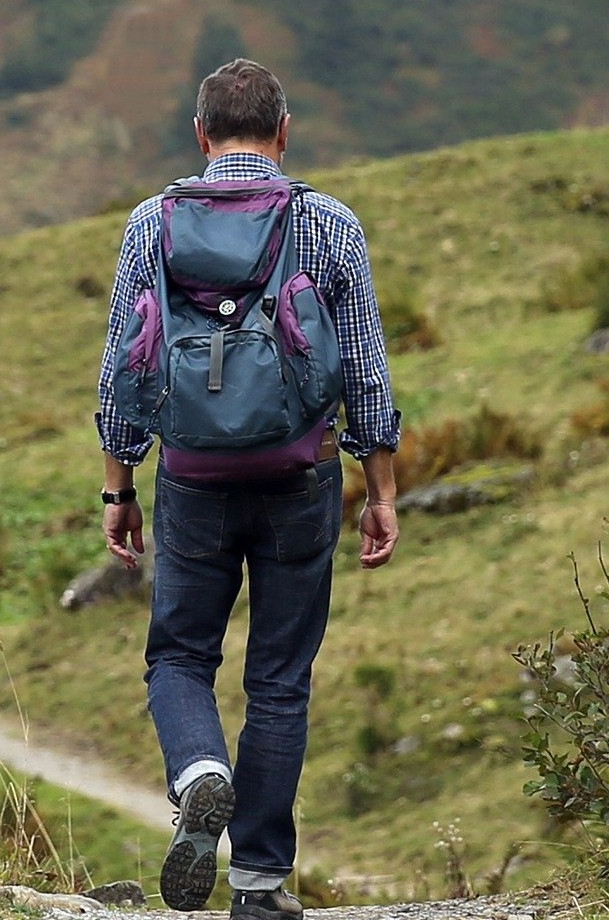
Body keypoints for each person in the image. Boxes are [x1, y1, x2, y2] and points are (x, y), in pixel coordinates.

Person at [95, 58, 402, 918]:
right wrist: (380, 487)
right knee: (279, 678)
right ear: (284, 131)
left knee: (180, 655)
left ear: (200, 134)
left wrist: (119, 488)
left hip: (191, 478)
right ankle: (260, 886)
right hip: (300, 477)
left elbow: (123, 365)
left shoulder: (150, 224)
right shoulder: (329, 224)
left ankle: (199, 774)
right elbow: (367, 372)